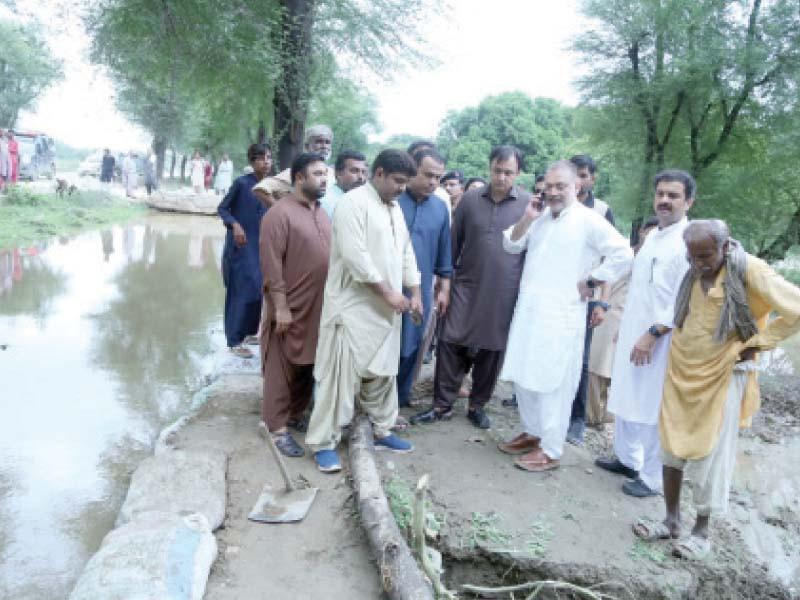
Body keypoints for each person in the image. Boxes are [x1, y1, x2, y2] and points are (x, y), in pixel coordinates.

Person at [634, 219, 800, 560]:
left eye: (705, 256)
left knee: (711, 454)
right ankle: (670, 520)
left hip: (723, 373)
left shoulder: (751, 270)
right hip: (681, 369)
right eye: (691, 257)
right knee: (671, 447)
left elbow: (795, 309)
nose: (696, 264)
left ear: (725, 247)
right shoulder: (693, 266)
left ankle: (702, 531)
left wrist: (757, 343)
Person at [497, 160, 632, 472]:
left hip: (561, 314)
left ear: (577, 187)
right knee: (526, 374)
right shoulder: (539, 215)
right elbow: (511, 245)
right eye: (550, 185)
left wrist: (594, 280)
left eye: (562, 186)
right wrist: (527, 218)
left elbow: (624, 254)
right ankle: (532, 433)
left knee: (554, 382)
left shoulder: (588, 220)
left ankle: (551, 448)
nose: (554, 191)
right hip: (530, 309)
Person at [305, 149, 422, 473]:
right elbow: (357, 257)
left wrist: (414, 291)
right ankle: (323, 443)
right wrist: (388, 292)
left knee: (383, 374)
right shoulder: (352, 204)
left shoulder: (395, 208)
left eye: (405, 183)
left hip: (387, 308)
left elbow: (405, 252)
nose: (402, 188)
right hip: (351, 307)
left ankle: (382, 429)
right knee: (337, 381)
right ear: (379, 173)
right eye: (398, 181)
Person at [412, 146, 531, 430]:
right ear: (489, 167)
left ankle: (478, 405)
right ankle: (442, 404)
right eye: (497, 170)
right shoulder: (470, 200)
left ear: (518, 174)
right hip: (465, 284)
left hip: (505, 291)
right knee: (450, 340)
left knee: (492, 349)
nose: (502, 177)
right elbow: (453, 245)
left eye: (508, 173)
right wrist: (445, 285)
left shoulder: (528, 205)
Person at [596, 171, 694, 497]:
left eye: (673, 195)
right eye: (661, 193)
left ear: (688, 201)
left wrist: (651, 334)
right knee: (625, 394)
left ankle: (652, 478)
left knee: (651, 405)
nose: (664, 200)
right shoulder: (653, 237)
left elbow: (683, 298)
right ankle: (628, 459)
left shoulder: (687, 241)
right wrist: (626, 329)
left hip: (660, 339)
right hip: (633, 330)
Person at [259, 152, 331, 457]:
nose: (324, 179)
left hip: (320, 306)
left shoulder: (322, 212)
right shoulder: (279, 214)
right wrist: (281, 307)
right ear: (299, 178)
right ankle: (276, 429)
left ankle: (295, 415)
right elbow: (272, 266)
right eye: (317, 173)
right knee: (282, 366)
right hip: (290, 306)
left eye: (325, 173)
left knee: (308, 364)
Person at [586, 216, 659, 425]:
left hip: (633, 320)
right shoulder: (626, 254)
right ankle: (592, 414)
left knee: (617, 369)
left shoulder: (655, 261)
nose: (652, 236)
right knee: (597, 364)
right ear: (642, 232)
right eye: (649, 231)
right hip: (609, 313)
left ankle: (607, 413)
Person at [566, 153, 617, 445]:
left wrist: (602, 302)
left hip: (587, 296)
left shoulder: (601, 210)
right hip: (556, 294)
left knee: (581, 359)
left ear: (591, 179)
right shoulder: (556, 204)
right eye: (574, 174)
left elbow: (611, 258)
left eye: (584, 175)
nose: (579, 180)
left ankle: (577, 419)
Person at [396, 148, 453, 407]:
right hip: (388, 287)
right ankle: (376, 403)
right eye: (427, 174)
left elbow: (444, 253)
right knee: (387, 345)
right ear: (413, 170)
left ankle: (400, 396)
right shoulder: (393, 201)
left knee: (413, 344)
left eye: (437, 177)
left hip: (422, 291)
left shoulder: (441, 208)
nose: (432, 182)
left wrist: (444, 289)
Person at [217, 143, 272, 358]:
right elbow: (222, 208)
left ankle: (249, 333)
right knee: (240, 292)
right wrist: (235, 224)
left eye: (268, 158)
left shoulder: (271, 187)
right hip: (241, 248)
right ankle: (234, 340)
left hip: (262, 246)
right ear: (251, 162)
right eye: (260, 158)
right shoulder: (241, 184)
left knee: (258, 290)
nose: (265, 162)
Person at [253, 124, 335, 207]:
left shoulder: (333, 174)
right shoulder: (298, 171)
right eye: (319, 142)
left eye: (327, 142)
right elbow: (261, 189)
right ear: (307, 146)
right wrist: (283, 212)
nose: (324, 146)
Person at [319, 149, 368, 219]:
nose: (361, 177)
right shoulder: (325, 202)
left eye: (363, 172)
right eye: (354, 171)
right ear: (338, 173)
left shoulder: (362, 200)